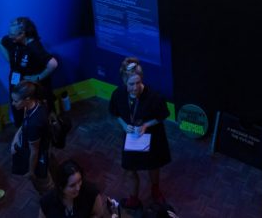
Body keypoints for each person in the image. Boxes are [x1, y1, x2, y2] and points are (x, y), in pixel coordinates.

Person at [109, 57, 171, 209]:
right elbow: (115, 112)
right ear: (124, 81)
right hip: (131, 138)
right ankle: (134, 199)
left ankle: (155, 190)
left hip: (152, 137)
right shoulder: (118, 94)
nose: (135, 87)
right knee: (130, 169)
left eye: (138, 82)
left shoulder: (154, 97)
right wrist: (124, 124)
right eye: (131, 84)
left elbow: (163, 115)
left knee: (153, 166)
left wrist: (146, 125)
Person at [0, 17, 58, 127]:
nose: (10, 37)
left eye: (13, 34)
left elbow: (53, 64)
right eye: (9, 33)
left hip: (32, 87)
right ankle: (21, 128)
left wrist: (38, 77)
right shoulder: (12, 40)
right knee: (18, 110)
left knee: (40, 115)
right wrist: (11, 62)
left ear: (22, 34)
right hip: (17, 80)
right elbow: (0, 41)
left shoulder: (34, 47)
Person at [10, 81, 53, 193]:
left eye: (16, 101)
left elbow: (34, 151)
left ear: (27, 99)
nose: (13, 104)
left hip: (38, 157)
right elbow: (24, 124)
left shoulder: (34, 124)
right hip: (41, 147)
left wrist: (31, 172)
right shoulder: (35, 104)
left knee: (45, 185)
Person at [40, 159, 112, 218]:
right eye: (72, 185)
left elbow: (98, 214)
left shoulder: (91, 192)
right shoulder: (47, 201)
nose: (78, 188)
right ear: (61, 187)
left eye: (79, 180)